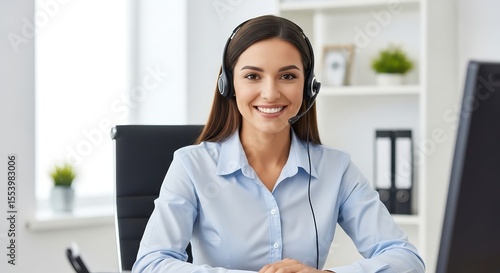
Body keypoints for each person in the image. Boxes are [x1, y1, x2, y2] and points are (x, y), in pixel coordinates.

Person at [132, 15, 425, 273]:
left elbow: (406, 259)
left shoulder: (336, 169)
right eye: (252, 76)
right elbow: (151, 263)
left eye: (287, 76)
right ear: (228, 85)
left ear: (309, 86)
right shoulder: (192, 166)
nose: (270, 93)